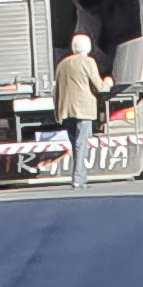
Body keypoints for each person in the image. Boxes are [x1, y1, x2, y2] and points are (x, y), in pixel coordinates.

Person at [53, 33, 109, 184]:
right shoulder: (88, 62)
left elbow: (56, 90)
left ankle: (80, 175)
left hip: (65, 110)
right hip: (83, 109)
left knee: (76, 142)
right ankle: (78, 177)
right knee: (81, 142)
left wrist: (57, 112)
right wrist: (109, 81)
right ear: (89, 47)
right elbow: (101, 87)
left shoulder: (62, 64)